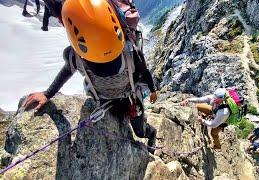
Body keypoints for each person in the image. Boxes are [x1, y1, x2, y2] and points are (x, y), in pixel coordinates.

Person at [23, 0, 158, 154]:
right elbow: (144, 72)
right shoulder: (129, 51)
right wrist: (152, 90)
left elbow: (67, 70)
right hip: (123, 98)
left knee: (141, 132)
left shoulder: (77, 56)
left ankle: (152, 133)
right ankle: (146, 132)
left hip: (116, 98)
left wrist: (48, 93)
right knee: (134, 127)